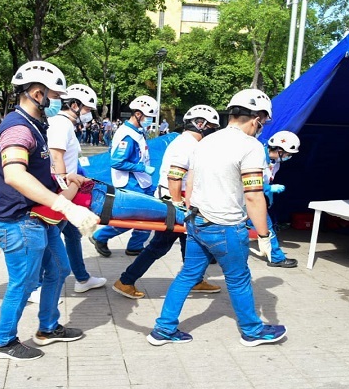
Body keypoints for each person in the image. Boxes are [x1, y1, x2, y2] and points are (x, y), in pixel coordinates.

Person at [147, 89, 287, 347]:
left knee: (187, 275)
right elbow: (254, 195)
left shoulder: (205, 142)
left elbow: (191, 183)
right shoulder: (252, 147)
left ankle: (163, 329)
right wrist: (265, 236)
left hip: (197, 221)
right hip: (226, 226)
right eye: (263, 122)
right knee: (239, 278)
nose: (262, 127)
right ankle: (252, 331)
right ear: (256, 118)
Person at [0, 61, 99, 361]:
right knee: (23, 282)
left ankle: (48, 327)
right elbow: (15, 175)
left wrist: (64, 180)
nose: (59, 103)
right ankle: (3, 341)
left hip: (37, 218)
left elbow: (36, 171)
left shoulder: (36, 126)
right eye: (55, 96)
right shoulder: (17, 128)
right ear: (38, 94)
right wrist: (65, 206)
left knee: (60, 270)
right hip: (19, 221)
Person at [112, 105, 222, 299]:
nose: (213, 131)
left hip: (178, 201)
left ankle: (195, 279)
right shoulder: (187, 145)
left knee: (189, 242)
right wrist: (179, 206)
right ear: (200, 124)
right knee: (159, 246)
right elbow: (174, 177)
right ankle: (126, 281)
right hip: (173, 202)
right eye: (212, 126)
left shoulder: (188, 143)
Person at [36, 83, 107, 298]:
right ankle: (37, 286)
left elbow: (68, 159)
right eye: (86, 109)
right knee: (50, 237)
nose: (88, 115)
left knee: (73, 234)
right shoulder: (61, 124)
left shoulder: (65, 124)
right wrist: (66, 191)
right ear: (74, 105)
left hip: (67, 188)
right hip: (61, 190)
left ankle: (82, 278)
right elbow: (56, 157)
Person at [89, 95, 158, 257]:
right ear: (138, 114)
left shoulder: (138, 131)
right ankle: (100, 236)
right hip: (131, 183)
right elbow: (117, 162)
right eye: (148, 117)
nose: (150, 120)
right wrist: (142, 168)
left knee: (149, 216)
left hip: (142, 182)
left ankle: (135, 246)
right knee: (134, 217)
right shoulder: (127, 135)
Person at [247, 130, 301, 268]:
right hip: (247, 198)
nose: (289, 157)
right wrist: (268, 189)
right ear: (279, 149)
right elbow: (245, 180)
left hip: (253, 197)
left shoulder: (274, 161)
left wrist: (267, 193)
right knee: (266, 226)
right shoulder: (256, 156)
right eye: (288, 154)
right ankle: (276, 258)